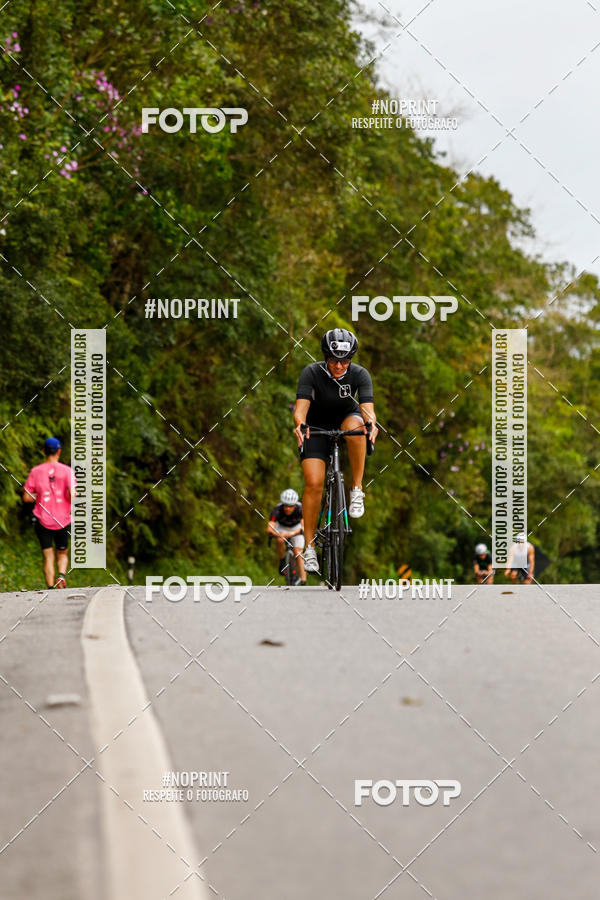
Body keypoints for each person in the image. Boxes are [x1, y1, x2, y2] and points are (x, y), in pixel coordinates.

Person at [293, 328, 378, 573]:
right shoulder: (311, 372)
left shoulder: (360, 374)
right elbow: (301, 409)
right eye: (334, 360)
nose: (340, 365)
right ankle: (309, 548)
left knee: (359, 427)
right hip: (316, 426)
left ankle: (357, 489)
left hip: (346, 420)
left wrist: (372, 423)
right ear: (325, 356)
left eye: (345, 360)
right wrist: (299, 424)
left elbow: (367, 409)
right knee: (314, 482)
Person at [23, 437, 75, 589]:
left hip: (42, 520)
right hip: (63, 520)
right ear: (59, 451)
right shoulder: (67, 471)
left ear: (43, 451)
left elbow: (26, 497)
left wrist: (39, 496)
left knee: (48, 556)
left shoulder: (35, 471)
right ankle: (61, 575)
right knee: (62, 553)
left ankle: (50, 588)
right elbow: (73, 495)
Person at [266, 489, 306, 585]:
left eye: (291, 506)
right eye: (286, 505)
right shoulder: (277, 510)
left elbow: (305, 527)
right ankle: (282, 560)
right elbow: (269, 528)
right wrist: (278, 534)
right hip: (282, 528)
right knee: (280, 540)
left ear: (295, 505)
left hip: (296, 528)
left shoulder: (301, 509)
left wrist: (292, 533)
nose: (288, 508)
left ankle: (303, 580)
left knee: (298, 552)